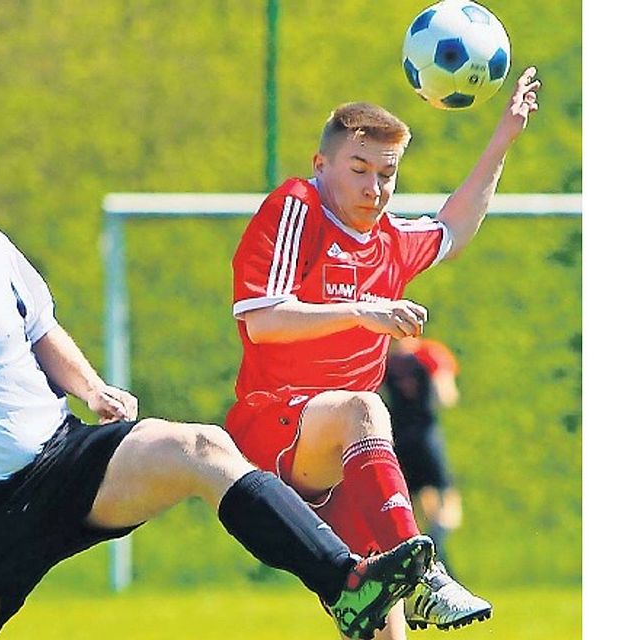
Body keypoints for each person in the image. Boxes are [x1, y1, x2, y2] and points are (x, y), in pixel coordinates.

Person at [0, 138, 436, 640]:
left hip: (64, 465)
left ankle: (345, 582)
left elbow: (40, 329)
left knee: (200, 447)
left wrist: (90, 388)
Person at [225, 66, 541, 638]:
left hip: (350, 460)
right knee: (365, 407)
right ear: (322, 165)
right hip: (273, 430)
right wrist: (362, 310)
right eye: (360, 169)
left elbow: (454, 227)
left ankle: (406, 583)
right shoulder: (299, 206)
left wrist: (505, 136)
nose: (374, 188)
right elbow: (261, 321)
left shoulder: (390, 240)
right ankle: (428, 578)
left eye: (387, 174)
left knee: (378, 623)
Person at [382, 337, 464, 573]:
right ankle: (426, 557)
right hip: (426, 438)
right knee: (449, 507)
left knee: (420, 509)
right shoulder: (430, 354)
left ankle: (439, 569)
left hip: (398, 438)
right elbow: (446, 396)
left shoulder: (388, 360)